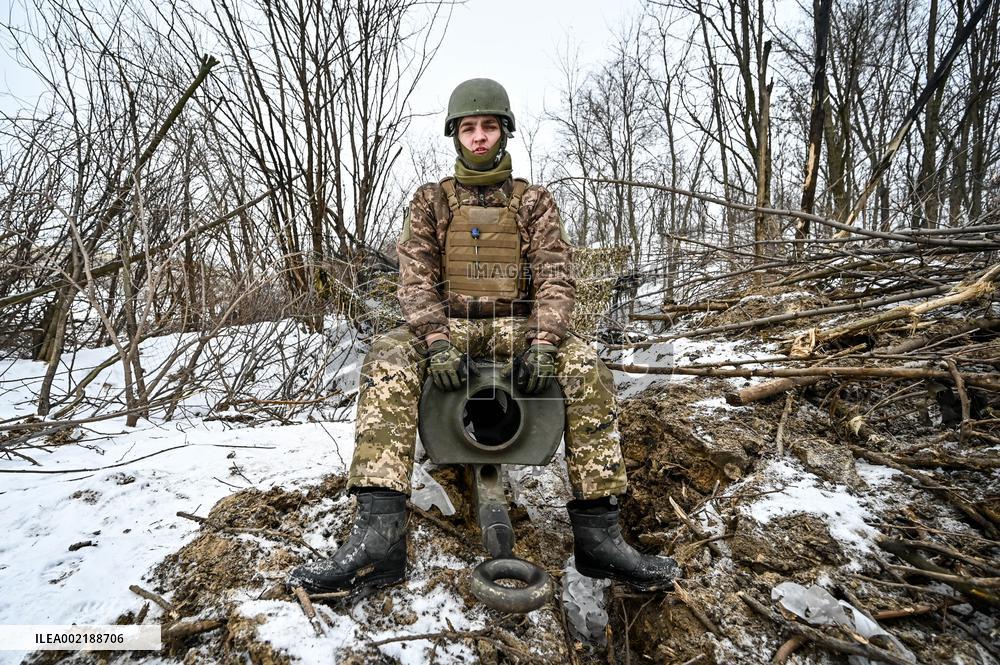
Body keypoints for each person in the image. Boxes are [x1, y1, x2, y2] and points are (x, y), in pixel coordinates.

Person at [289, 78, 679, 594]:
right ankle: (379, 537)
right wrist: (433, 339)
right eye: (469, 128)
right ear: (455, 134)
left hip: (515, 325)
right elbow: (415, 278)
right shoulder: (431, 201)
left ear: (504, 132)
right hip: (449, 324)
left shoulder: (532, 202)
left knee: (585, 366)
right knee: (387, 357)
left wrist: (544, 343)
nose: (478, 137)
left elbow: (556, 276)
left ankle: (600, 538)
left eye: (488, 127)